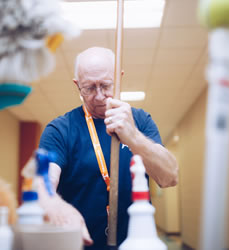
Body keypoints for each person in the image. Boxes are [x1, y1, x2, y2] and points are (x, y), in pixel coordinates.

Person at [31, 47, 178, 249]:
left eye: (106, 85)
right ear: (77, 85)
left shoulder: (141, 120)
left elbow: (169, 177)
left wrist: (133, 136)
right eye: (89, 88)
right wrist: (59, 208)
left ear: (119, 77)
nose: (99, 96)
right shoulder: (60, 130)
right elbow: (41, 184)